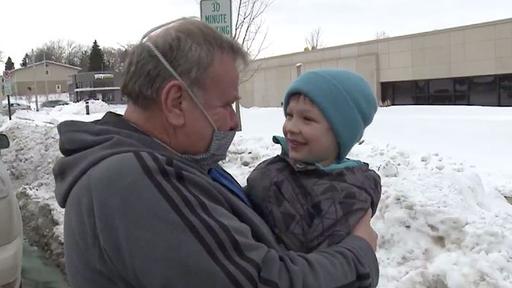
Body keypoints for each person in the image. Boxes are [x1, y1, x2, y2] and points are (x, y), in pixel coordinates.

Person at [53, 18, 379, 288]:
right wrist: (358, 251)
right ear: (176, 102)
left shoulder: (176, 161)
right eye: (227, 105)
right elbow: (262, 279)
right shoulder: (132, 180)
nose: (235, 122)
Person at [246, 69, 381, 253]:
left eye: (307, 119)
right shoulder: (273, 167)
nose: (291, 128)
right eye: (289, 116)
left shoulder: (346, 195)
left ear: (340, 133)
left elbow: (325, 271)